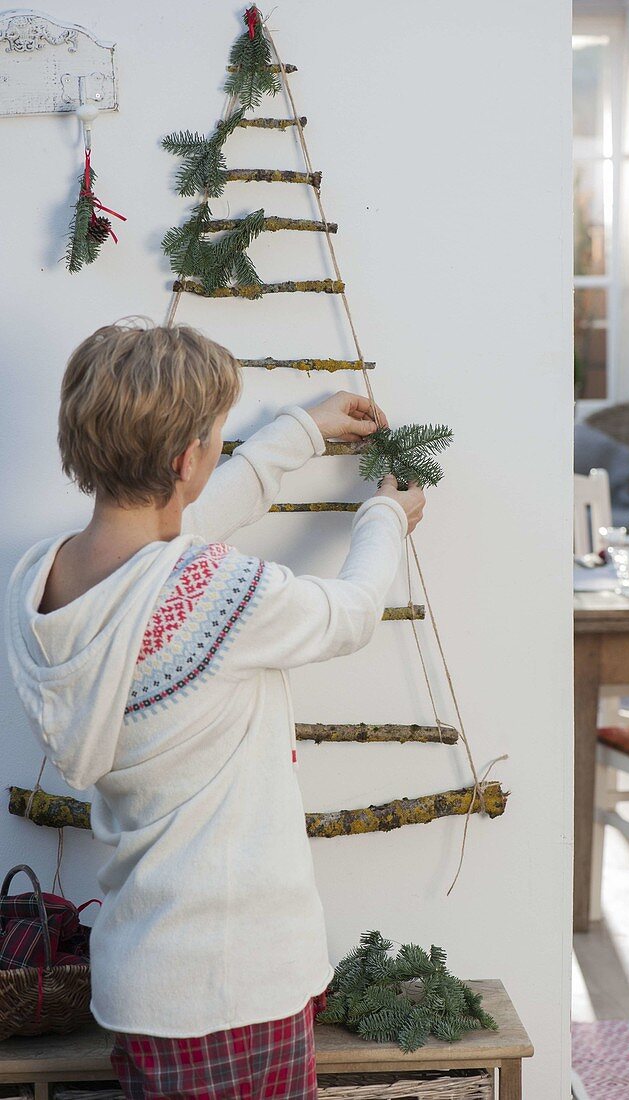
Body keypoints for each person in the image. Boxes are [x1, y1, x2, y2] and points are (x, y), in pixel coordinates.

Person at [4, 320, 425, 1100]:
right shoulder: (219, 594)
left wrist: (298, 433)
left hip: (142, 980)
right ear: (186, 460)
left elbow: (177, 532)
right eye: (217, 438)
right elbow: (351, 614)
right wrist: (386, 517)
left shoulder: (52, 579)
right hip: (235, 984)